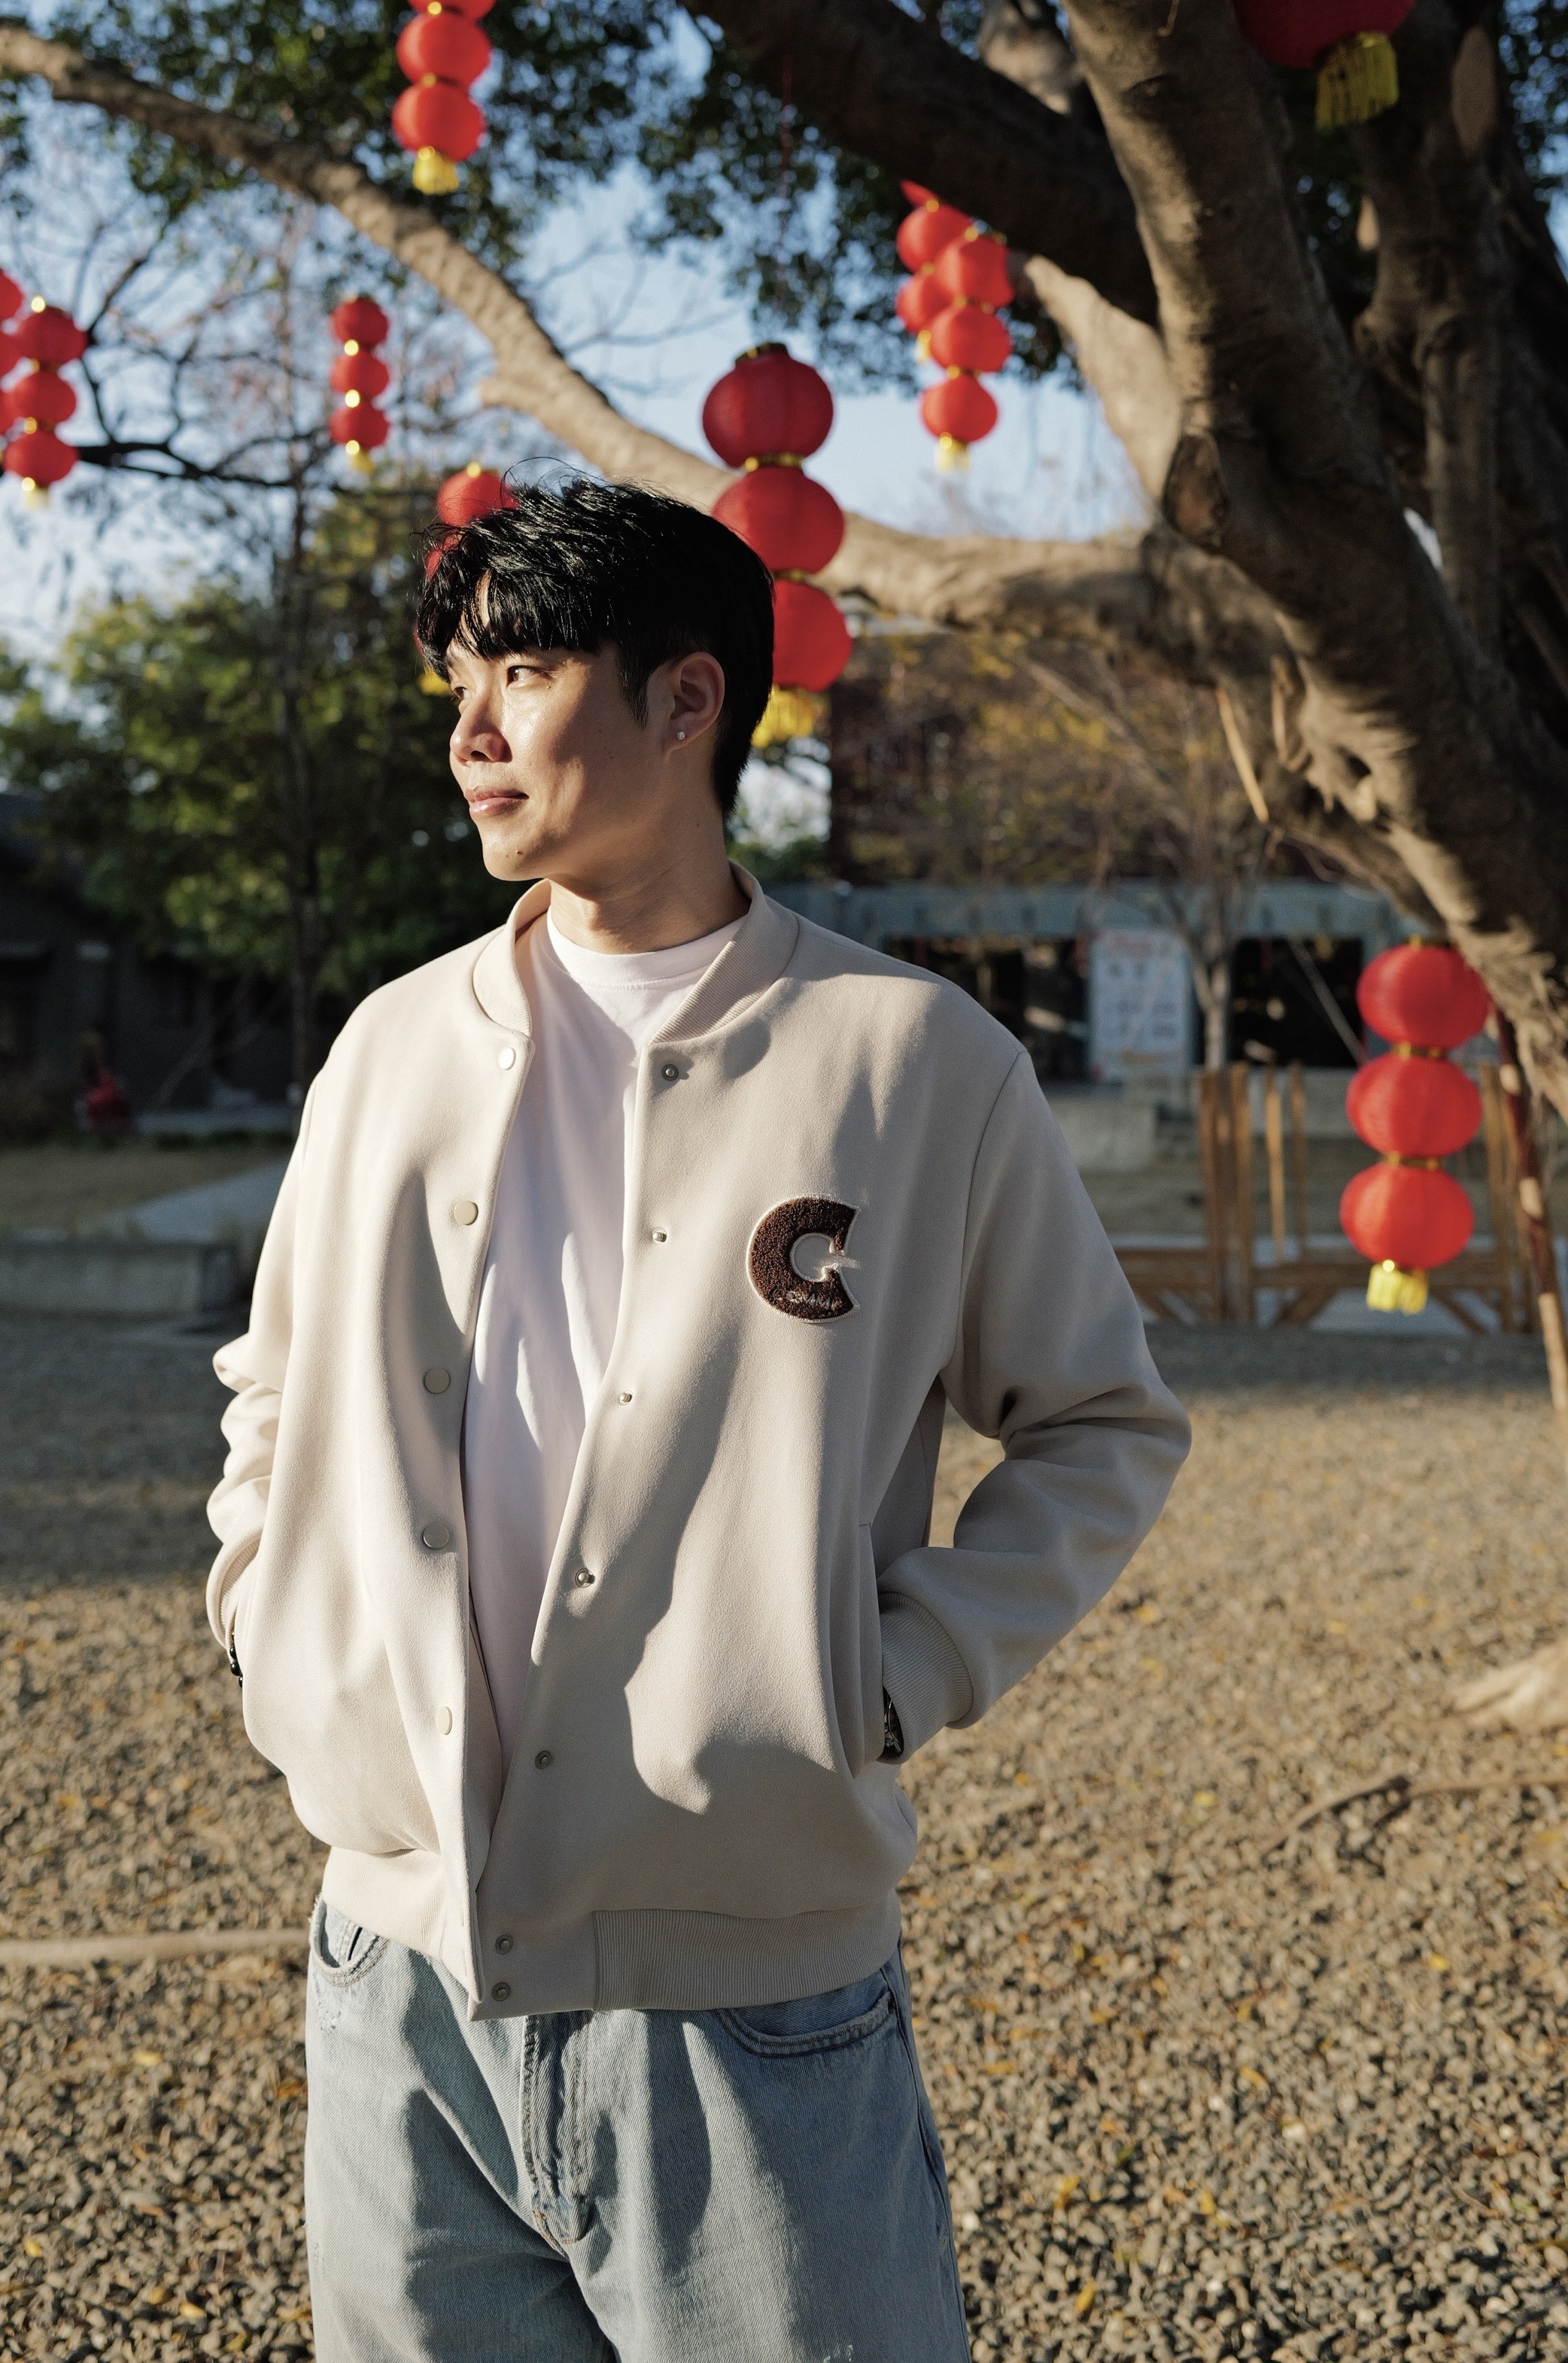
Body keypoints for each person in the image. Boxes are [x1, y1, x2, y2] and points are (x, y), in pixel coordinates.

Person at [206, 476, 1190, 2362]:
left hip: (752, 1999)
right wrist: (269, 1614)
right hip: (394, 1977)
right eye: (459, 685)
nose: (470, 732)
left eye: (522, 673)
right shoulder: (390, 1046)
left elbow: (1100, 1420)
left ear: (685, 700)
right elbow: (275, 1376)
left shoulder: (910, 1061)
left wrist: (885, 1676)